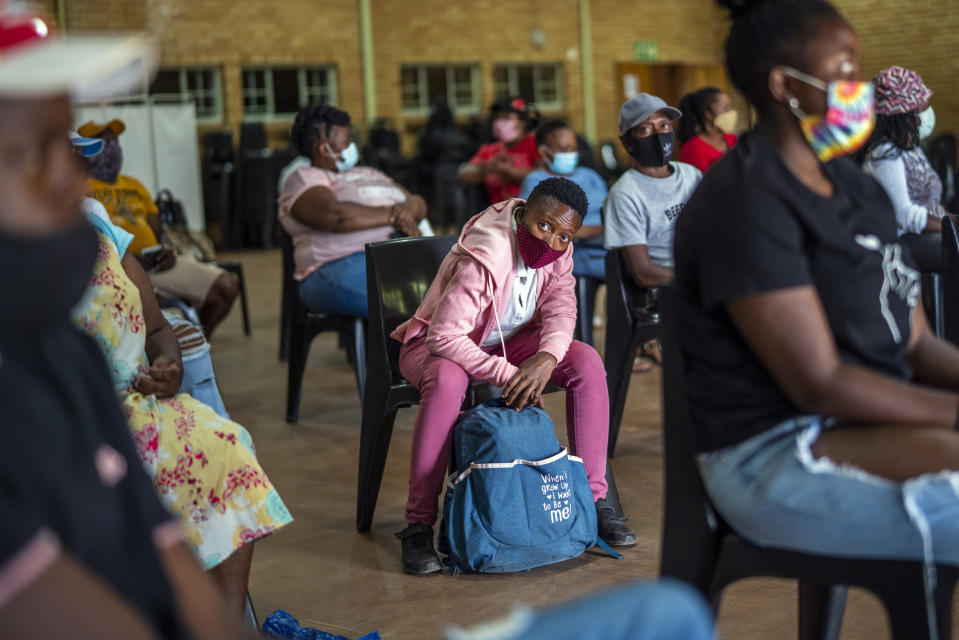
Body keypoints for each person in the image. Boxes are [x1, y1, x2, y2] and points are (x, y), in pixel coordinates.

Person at [674, 0, 959, 627]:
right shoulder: (745, 199)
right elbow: (817, 380)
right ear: (784, 85)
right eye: (846, 66)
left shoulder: (855, 187)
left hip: (855, 421)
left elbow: (913, 345)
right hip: (769, 452)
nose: (861, 84)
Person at [0, 12, 257, 639]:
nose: (71, 180)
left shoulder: (65, 356)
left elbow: (157, 553)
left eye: (68, 145)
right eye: (34, 153)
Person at [391, 178, 637, 575]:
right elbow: (445, 336)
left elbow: (561, 309)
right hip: (438, 346)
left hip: (506, 341)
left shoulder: (560, 252)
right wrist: (508, 375)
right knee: (449, 382)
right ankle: (418, 524)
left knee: (586, 362)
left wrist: (546, 356)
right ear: (524, 214)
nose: (552, 241)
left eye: (563, 235)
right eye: (544, 226)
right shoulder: (487, 252)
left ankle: (592, 503)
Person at [73, 195, 294, 613]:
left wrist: (169, 364)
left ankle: (223, 625)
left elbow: (156, 324)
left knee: (226, 447)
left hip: (138, 403)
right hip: (69, 421)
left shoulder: (95, 225)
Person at [79, 119, 240, 337]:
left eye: (116, 142)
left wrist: (166, 253)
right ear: (84, 149)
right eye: (105, 142)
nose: (113, 148)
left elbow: (159, 233)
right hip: (119, 271)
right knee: (153, 313)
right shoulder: (78, 190)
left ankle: (198, 341)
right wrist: (129, 258)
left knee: (227, 286)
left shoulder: (135, 185)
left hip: (157, 267)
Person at [277, 104, 427, 318]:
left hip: (398, 258)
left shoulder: (369, 172)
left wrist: (409, 208)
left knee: (463, 291)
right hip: (336, 266)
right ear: (323, 148)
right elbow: (335, 216)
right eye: (346, 142)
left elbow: (418, 202)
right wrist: (397, 214)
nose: (352, 147)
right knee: (418, 304)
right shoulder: (304, 177)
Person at [604, 93, 702, 370]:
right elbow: (643, 272)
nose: (659, 135)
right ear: (628, 143)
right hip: (666, 288)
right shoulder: (625, 194)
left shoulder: (690, 176)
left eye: (664, 126)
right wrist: (698, 277)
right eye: (645, 129)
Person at [858, 65, 948, 272]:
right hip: (902, 240)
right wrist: (950, 225)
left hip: (927, 234)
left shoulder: (911, 148)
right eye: (922, 107)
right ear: (906, 114)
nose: (925, 113)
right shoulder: (885, 153)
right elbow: (903, 215)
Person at [519, 119, 608, 280]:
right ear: (544, 153)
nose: (570, 154)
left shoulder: (591, 176)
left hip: (608, 245)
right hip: (572, 253)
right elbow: (541, 231)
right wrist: (603, 231)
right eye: (564, 149)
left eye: (573, 149)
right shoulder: (536, 181)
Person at [458, 96, 540, 206]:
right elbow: (464, 176)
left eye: (506, 118)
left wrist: (506, 170)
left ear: (523, 122)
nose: (500, 122)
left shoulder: (536, 145)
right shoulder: (490, 150)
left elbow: (543, 175)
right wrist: (486, 167)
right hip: (498, 216)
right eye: (497, 117)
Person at [677, 87, 740, 172]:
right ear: (708, 114)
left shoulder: (734, 139)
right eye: (726, 108)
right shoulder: (693, 148)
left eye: (731, 107)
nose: (731, 112)